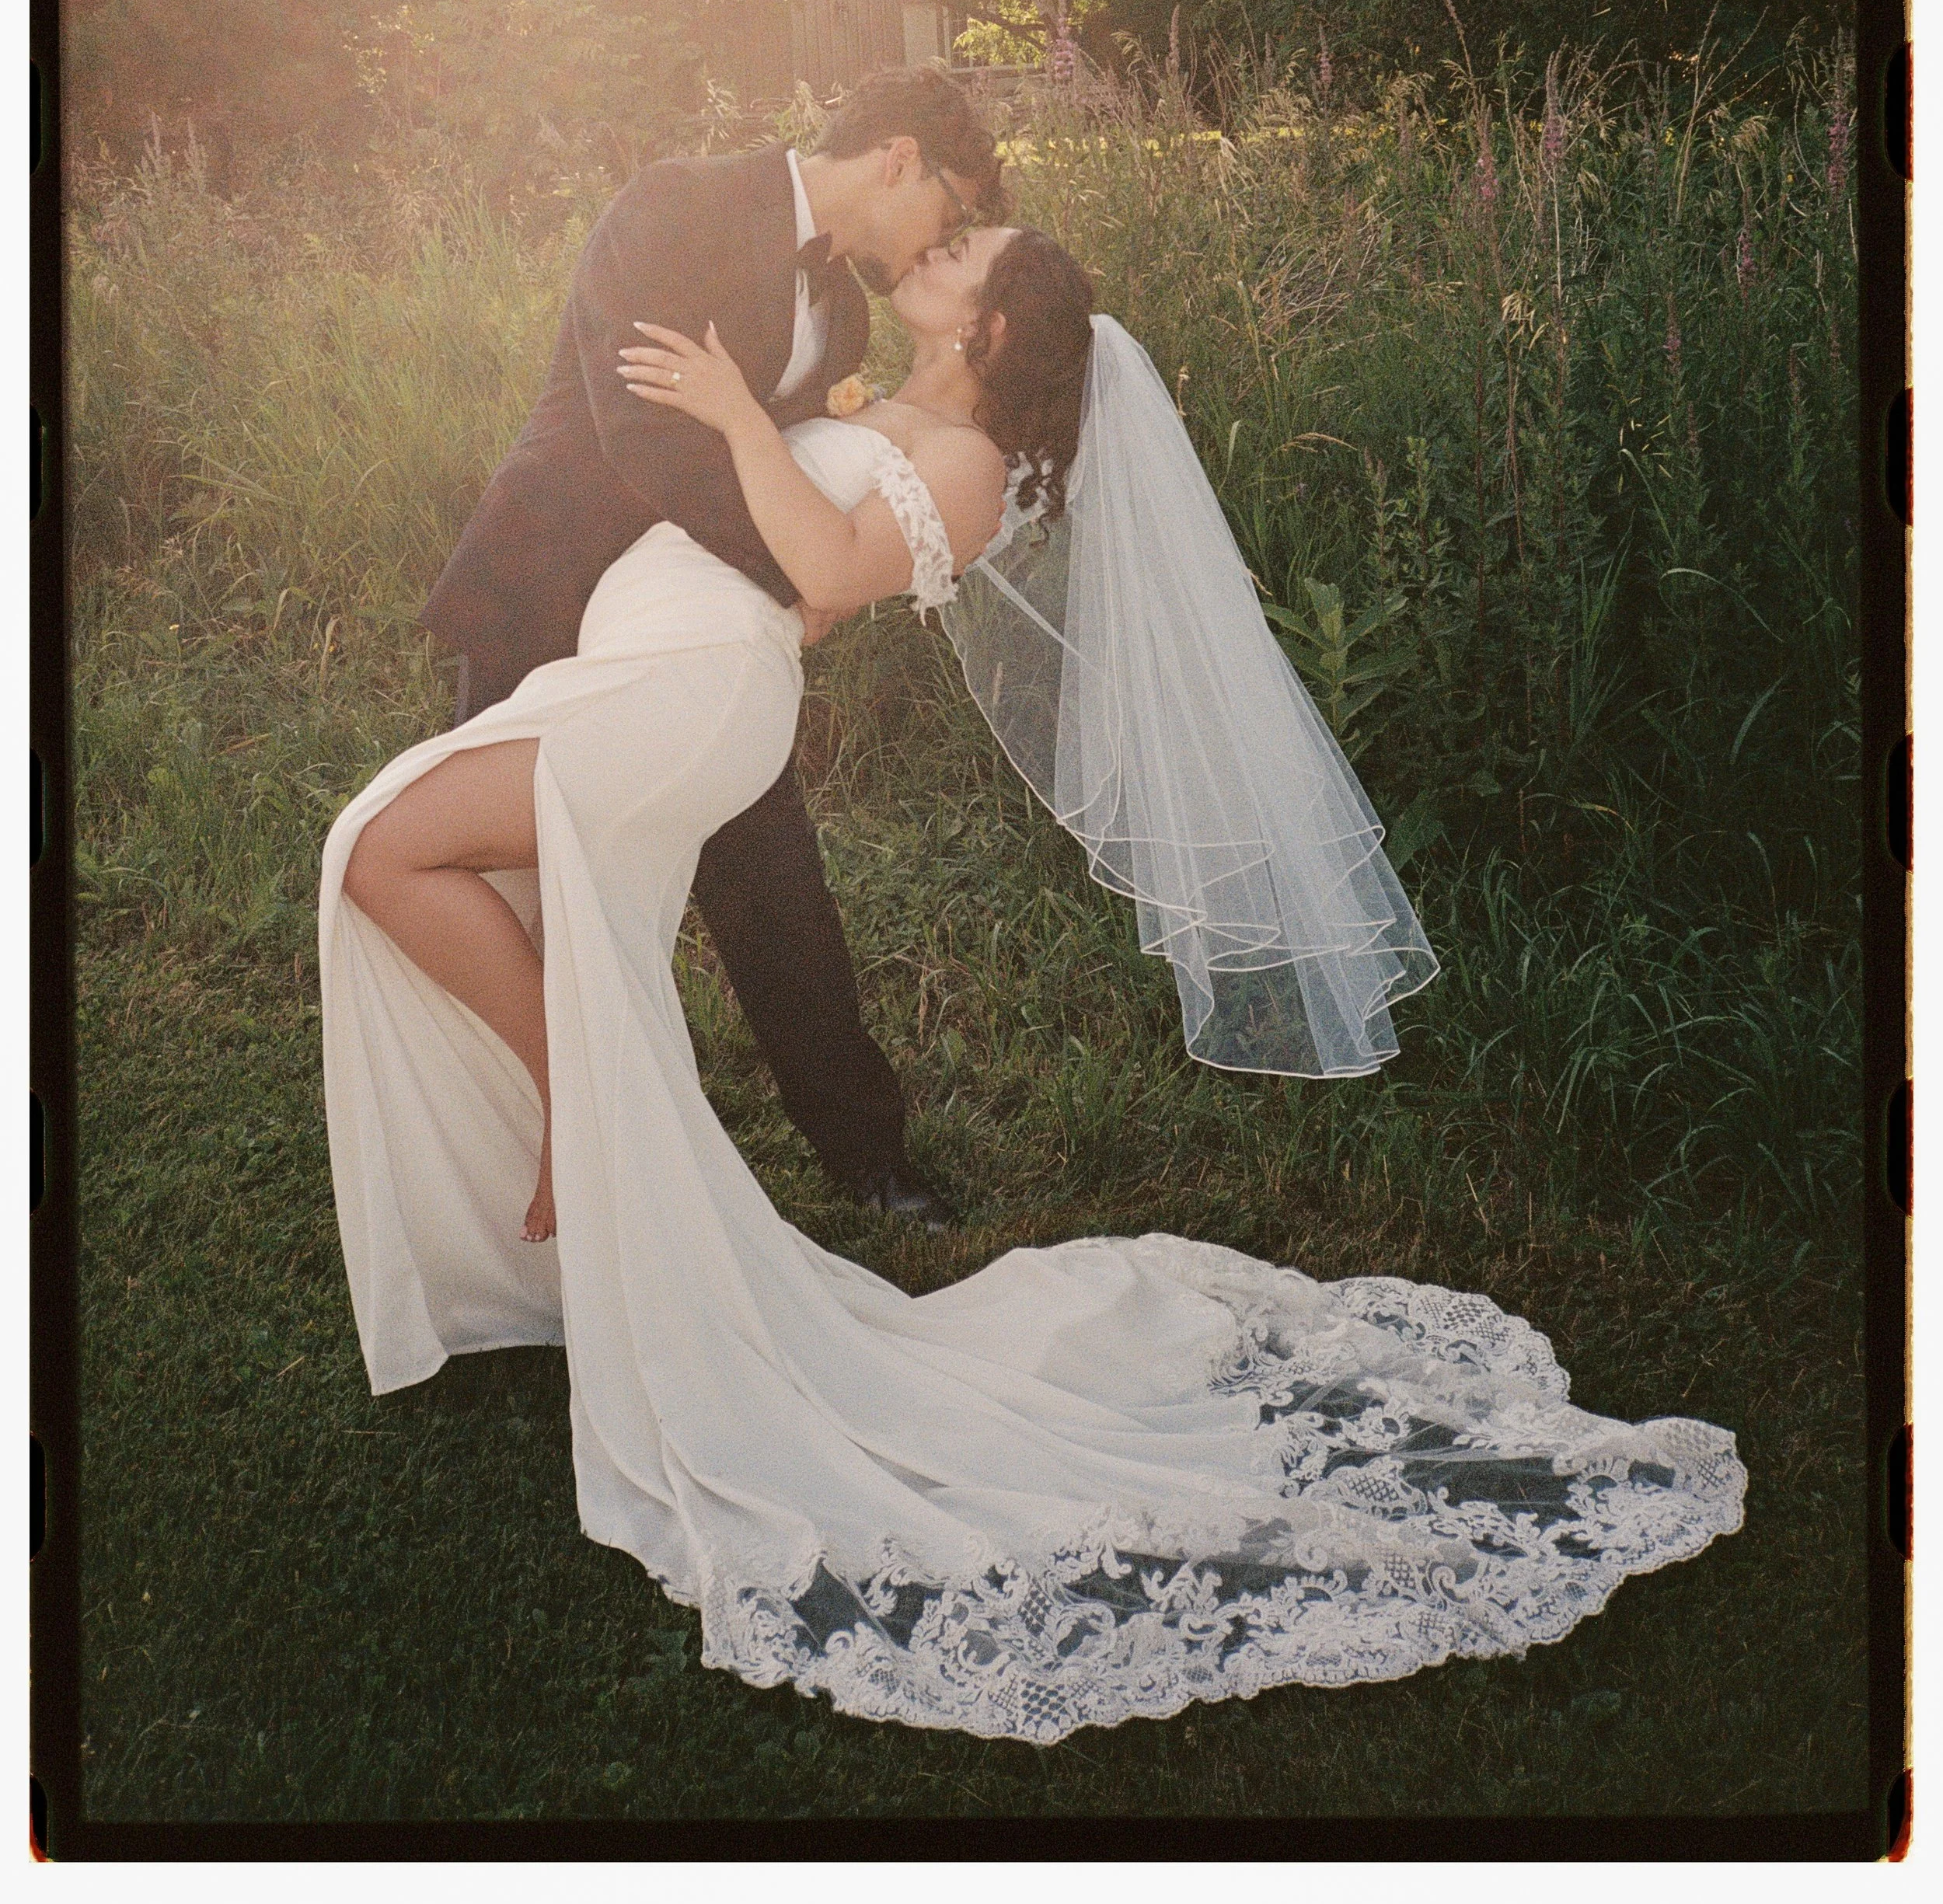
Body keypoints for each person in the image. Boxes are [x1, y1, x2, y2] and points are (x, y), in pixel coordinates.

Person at [320, 217, 1745, 1745]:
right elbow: (780, 558)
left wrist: (745, 419)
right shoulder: (883, 408)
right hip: (634, 676)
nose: (929, 249)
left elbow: (816, 575)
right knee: (482, 897)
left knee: (380, 849)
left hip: (683, 702)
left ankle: (571, 1120)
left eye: (958, 254)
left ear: (995, 333)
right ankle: (568, 1129)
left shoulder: (971, 471)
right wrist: (788, 420)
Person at [415, 65, 1007, 1227]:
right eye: (951, 202)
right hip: (546, 593)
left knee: (773, 884)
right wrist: (800, 572)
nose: (947, 232)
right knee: (494, 884)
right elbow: (643, 436)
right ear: (896, 158)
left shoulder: (838, 311)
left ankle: (871, 1161)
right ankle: (505, 1170)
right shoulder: (671, 205)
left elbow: (769, 461)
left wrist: (795, 571)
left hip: (690, 633)